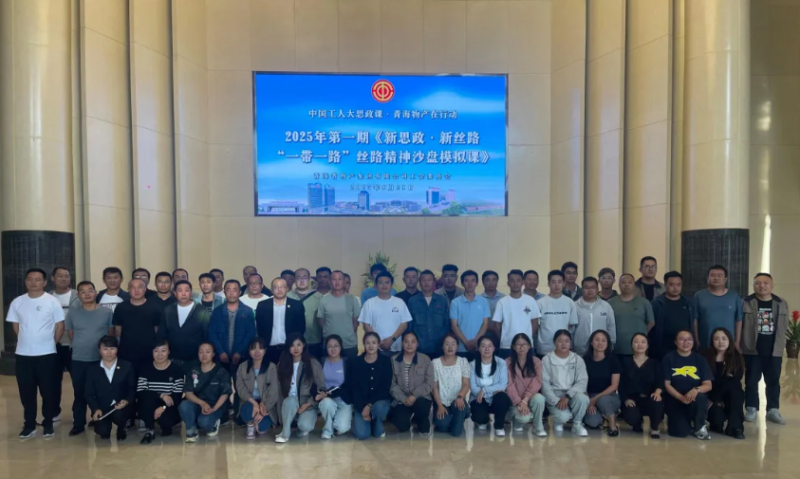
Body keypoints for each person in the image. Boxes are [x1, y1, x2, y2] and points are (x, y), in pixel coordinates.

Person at [6, 268, 65, 439]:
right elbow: (16, 325)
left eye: (38, 279)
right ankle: (29, 424)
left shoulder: (52, 301)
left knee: (48, 391)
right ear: (25, 281)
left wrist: (50, 343)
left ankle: (48, 423)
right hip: (23, 355)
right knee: (26, 391)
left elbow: (60, 326)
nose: (33, 283)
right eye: (30, 279)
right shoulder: (18, 302)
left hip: (47, 355)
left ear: (45, 282)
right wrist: (27, 341)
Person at [65, 281, 115, 436]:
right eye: (83, 291)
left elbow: (110, 334)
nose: (87, 294)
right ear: (78, 295)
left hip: (100, 359)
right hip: (79, 358)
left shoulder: (106, 312)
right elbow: (71, 333)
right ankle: (78, 423)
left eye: (90, 290)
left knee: (100, 391)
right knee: (79, 392)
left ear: (95, 293)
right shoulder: (73, 313)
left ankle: (98, 418)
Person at [741, 272, 788, 425]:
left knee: (773, 380)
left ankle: (773, 410)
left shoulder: (781, 303)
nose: (761, 286)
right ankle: (751, 408)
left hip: (774, 349)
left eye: (765, 283)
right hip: (752, 348)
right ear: (753, 285)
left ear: (772, 285)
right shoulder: (746, 302)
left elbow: (784, 325)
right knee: (751, 380)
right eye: (758, 283)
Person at [209, 279, 255, 423]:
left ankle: (239, 415)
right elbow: (212, 333)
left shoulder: (247, 311)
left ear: (240, 292)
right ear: (224, 292)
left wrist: (239, 352)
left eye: (235, 289)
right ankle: (222, 416)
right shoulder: (217, 311)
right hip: (220, 356)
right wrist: (220, 351)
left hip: (241, 357)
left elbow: (250, 335)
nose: (232, 293)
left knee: (240, 386)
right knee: (221, 386)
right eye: (228, 289)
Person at [265, 334, 325, 443]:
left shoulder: (313, 363)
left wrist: (309, 403)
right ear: (288, 347)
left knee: (305, 426)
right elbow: (276, 389)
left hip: (307, 404)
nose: (296, 348)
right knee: (290, 401)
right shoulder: (282, 364)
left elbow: (321, 388)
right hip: (289, 404)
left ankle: (301, 428)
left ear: (304, 345)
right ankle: (285, 434)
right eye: (292, 345)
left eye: (298, 345)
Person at [662, 330, 713, 440]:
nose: (686, 342)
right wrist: (680, 397)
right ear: (675, 342)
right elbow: (667, 384)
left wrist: (696, 390)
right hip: (675, 398)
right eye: (682, 339)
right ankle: (682, 420)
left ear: (693, 342)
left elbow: (708, 385)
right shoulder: (669, 358)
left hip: (694, 398)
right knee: (679, 433)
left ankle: (699, 426)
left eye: (689, 339)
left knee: (700, 398)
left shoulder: (700, 360)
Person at [85, 335, 136, 441]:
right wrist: (95, 409)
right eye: (105, 349)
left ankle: (122, 428)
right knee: (103, 432)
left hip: (120, 406)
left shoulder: (127, 366)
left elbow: (132, 388)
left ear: (117, 349)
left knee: (121, 416)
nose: (109, 352)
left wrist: (126, 400)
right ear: (100, 350)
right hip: (102, 408)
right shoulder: (93, 369)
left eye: (112, 348)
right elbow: (88, 393)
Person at [541, 330, 589, 436]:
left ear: (570, 343)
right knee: (563, 416)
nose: (563, 344)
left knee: (583, 398)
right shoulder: (546, 359)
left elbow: (582, 382)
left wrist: (567, 396)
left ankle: (577, 425)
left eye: (566, 341)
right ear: (554, 342)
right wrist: (556, 401)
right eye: (560, 341)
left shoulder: (577, 359)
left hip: (572, 394)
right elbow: (545, 385)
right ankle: (557, 421)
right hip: (554, 395)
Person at [180, 342, 231, 442]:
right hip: (198, 404)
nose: (204, 355)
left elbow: (225, 394)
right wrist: (202, 403)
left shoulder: (221, 371)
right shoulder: (193, 371)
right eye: (201, 352)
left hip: (215, 406)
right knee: (184, 405)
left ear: (213, 354)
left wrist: (214, 408)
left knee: (204, 421)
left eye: (207, 352)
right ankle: (191, 431)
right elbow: (188, 393)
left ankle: (213, 425)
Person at [137, 340, 184, 444]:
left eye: (163, 351)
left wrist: (163, 407)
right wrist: (161, 395)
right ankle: (150, 430)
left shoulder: (176, 369)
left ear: (169, 352)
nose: (159, 354)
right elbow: (141, 391)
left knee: (166, 424)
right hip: (152, 402)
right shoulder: (145, 368)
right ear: (152, 352)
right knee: (146, 401)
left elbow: (177, 395)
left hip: (169, 404)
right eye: (156, 351)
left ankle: (171, 423)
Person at [349, 332, 393, 439]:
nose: (371, 345)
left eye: (374, 342)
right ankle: (366, 420)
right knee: (362, 434)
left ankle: (377, 421)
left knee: (379, 410)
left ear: (378, 344)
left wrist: (369, 406)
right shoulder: (355, 362)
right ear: (363, 344)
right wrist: (362, 407)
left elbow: (385, 387)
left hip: (380, 401)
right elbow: (354, 388)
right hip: (361, 403)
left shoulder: (386, 361)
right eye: (367, 343)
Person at [389, 331, 434, 435]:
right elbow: (392, 384)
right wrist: (403, 399)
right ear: (402, 343)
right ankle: (409, 416)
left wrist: (414, 395)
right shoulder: (393, 360)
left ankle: (419, 418)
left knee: (424, 428)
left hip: (421, 397)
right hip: (402, 399)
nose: (409, 344)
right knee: (402, 425)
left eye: (413, 342)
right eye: (406, 341)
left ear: (417, 344)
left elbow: (429, 383)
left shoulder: (425, 359)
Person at [619, 333, 664, 438]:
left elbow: (660, 381)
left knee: (657, 401)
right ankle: (637, 422)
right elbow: (620, 384)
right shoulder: (625, 362)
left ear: (647, 346)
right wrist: (626, 399)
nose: (639, 344)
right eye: (636, 342)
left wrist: (658, 392)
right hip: (632, 399)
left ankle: (654, 427)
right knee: (631, 415)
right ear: (632, 345)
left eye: (643, 342)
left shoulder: (655, 363)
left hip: (649, 398)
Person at [113, 278, 162, 374]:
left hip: (148, 352)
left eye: (140, 287)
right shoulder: (121, 307)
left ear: (145, 289)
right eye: (133, 287)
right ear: (128, 290)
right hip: (126, 352)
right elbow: (118, 330)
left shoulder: (154, 307)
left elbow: (157, 330)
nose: (136, 290)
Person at [704, 328, 745, 439]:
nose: (720, 342)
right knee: (717, 422)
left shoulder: (736, 357)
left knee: (736, 391)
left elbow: (735, 381)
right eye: (716, 339)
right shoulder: (705, 356)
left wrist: (718, 399)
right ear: (712, 341)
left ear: (729, 340)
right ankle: (716, 421)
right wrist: (714, 399)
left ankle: (736, 427)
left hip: (728, 395)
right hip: (710, 396)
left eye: (724, 338)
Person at [358, 271, 412, 356]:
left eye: (387, 282)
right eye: (381, 283)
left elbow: (404, 324)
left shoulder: (399, 302)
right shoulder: (369, 303)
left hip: (395, 348)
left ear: (391, 285)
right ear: (376, 285)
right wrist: (378, 341)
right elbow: (366, 325)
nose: (384, 285)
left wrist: (392, 339)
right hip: (375, 349)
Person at [491, 269, 541, 359]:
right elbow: (496, 325)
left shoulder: (530, 300)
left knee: (528, 368)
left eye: (518, 280)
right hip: (507, 346)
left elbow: (535, 322)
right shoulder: (502, 302)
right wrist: (504, 338)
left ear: (522, 282)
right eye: (512, 281)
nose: (515, 283)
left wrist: (527, 338)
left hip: (527, 346)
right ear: (508, 283)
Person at [158, 280, 210, 363]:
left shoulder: (202, 311)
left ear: (191, 292)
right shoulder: (168, 310)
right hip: (172, 358)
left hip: (195, 359)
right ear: (175, 293)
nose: (183, 294)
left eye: (186, 290)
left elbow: (207, 335)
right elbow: (162, 334)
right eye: (180, 291)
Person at [255, 278, 305, 364]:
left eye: (282, 287)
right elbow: (259, 328)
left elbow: (301, 327)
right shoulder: (263, 305)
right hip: (269, 349)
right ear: (271, 289)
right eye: (276, 287)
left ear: (287, 289)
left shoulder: (296, 305)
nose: (279, 289)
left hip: (290, 349)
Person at [506, 333, 547, 436]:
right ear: (513, 347)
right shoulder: (507, 362)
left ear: (529, 346)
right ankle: (516, 420)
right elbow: (509, 385)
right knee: (524, 418)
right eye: (518, 345)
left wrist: (525, 399)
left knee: (540, 398)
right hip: (515, 400)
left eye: (524, 344)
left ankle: (538, 427)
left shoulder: (536, 361)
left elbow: (538, 381)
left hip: (529, 397)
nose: (522, 347)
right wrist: (519, 402)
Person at [469, 335, 510, 436]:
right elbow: (473, 387)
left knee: (502, 397)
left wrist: (484, 390)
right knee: (480, 419)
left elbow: (503, 384)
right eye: (483, 346)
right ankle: (484, 421)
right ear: (478, 348)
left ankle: (499, 426)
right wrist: (488, 393)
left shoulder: (501, 363)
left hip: (495, 397)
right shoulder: (472, 365)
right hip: (478, 398)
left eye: (490, 346)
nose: (487, 349)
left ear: (494, 348)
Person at [693, 265, 742, 350]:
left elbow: (739, 320)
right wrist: (696, 339)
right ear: (708, 278)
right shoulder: (699, 296)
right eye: (712, 275)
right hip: (705, 342)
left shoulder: (734, 296)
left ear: (725, 279)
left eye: (719, 276)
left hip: (728, 343)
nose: (716, 278)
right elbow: (695, 319)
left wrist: (737, 341)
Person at [582, 330, 621, 436]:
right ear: (591, 342)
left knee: (603, 400)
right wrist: (589, 401)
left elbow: (614, 385)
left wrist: (595, 399)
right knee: (593, 422)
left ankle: (612, 425)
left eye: (604, 340)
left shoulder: (613, 360)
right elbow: (582, 383)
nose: (600, 343)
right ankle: (605, 416)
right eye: (597, 340)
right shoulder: (585, 360)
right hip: (590, 395)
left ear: (608, 343)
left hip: (609, 396)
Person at [432, 333, 471, 437]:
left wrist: (460, 397)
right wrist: (440, 406)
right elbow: (434, 388)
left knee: (456, 432)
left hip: (458, 401)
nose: (450, 347)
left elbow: (466, 384)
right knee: (442, 425)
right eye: (447, 344)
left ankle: (462, 413)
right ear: (442, 346)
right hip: (442, 402)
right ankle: (456, 417)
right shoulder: (435, 363)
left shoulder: (463, 361)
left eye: (453, 344)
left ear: (457, 346)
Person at [650, 271, 695, 360]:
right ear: (665, 285)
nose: (675, 288)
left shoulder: (688, 303)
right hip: (663, 347)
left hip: (684, 346)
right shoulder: (657, 303)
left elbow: (693, 323)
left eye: (678, 285)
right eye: (671, 285)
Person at [608, 274, 654, 358]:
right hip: (617, 348)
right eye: (623, 282)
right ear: (619, 285)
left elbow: (651, 322)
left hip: (639, 348)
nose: (626, 285)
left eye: (629, 282)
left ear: (634, 285)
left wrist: (642, 333)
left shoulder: (644, 302)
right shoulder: (610, 303)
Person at [317, 271, 361, 359]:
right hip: (330, 344)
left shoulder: (352, 299)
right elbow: (321, 320)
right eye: (334, 279)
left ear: (344, 281)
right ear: (330, 281)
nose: (337, 282)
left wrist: (348, 333)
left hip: (348, 344)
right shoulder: (324, 300)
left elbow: (355, 322)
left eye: (340, 279)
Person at [316, 335, 353, 439]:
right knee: (327, 403)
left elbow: (349, 385)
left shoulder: (347, 362)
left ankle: (334, 422)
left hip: (343, 399)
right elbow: (316, 382)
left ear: (341, 347)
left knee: (342, 428)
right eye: (330, 346)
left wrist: (335, 393)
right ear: (326, 348)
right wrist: (322, 393)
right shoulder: (321, 362)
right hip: (326, 398)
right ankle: (328, 430)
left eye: (336, 346)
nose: (333, 349)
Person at [407, 269, 449, 358]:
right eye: (423, 280)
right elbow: (409, 326)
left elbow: (447, 325)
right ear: (419, 282)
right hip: (419, 348)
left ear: (434, 282)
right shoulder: (412, 301)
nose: (426, 283)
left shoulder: (442, 300)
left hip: (439, 347)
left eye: (429, 280)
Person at [535, 270, 579, 356]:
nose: (557, 285)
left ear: (564, 283)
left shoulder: (570, 303)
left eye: (559, 282)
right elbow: (536, 326)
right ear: (549, 284)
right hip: (544, 349)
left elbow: (571, 327)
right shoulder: (540, 303)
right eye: (553, 282)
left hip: (564, 349)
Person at [235, 337, 272, 439]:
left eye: (260, 348)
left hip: (265, 404)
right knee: (248, 410)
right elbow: (240, 388)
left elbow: (273, 391)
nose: (257, 351)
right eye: (253, 348)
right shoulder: (242, 367)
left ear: (265, 350)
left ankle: (256, 423)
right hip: (249, 402)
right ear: (249, 350)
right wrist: (255, 403)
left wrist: (263, 406)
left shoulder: (271, 367)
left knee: (262, 429)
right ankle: (250, 424)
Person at [450, 270, 491, 360]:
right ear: (462, 283)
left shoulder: (483, 301)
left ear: (476, 283)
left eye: (473, 280)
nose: (470, 284)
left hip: (479, 347)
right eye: (466, 280)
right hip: (461, 347)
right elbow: (454, 326)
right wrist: (466, 342)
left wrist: (476, 341)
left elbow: (485, 324)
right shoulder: (455, 302)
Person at [574, 277, 616, 356]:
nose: (590, 290)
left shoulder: (606, 306)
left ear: (597, 289)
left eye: (592, 287)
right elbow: (571, 329)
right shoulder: (574, 306)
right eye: (586, 287)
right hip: (579, 350)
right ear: (582, 289)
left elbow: (611, 326)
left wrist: (611, 344)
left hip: (601, 350)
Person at [288, 268, 324, 358]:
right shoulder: (287, 296)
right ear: (294, 280)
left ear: (309, 279)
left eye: (304, 278)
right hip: (292, 342)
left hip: (313, 341)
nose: (301, 280)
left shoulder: (319, 297)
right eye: (298, 278)